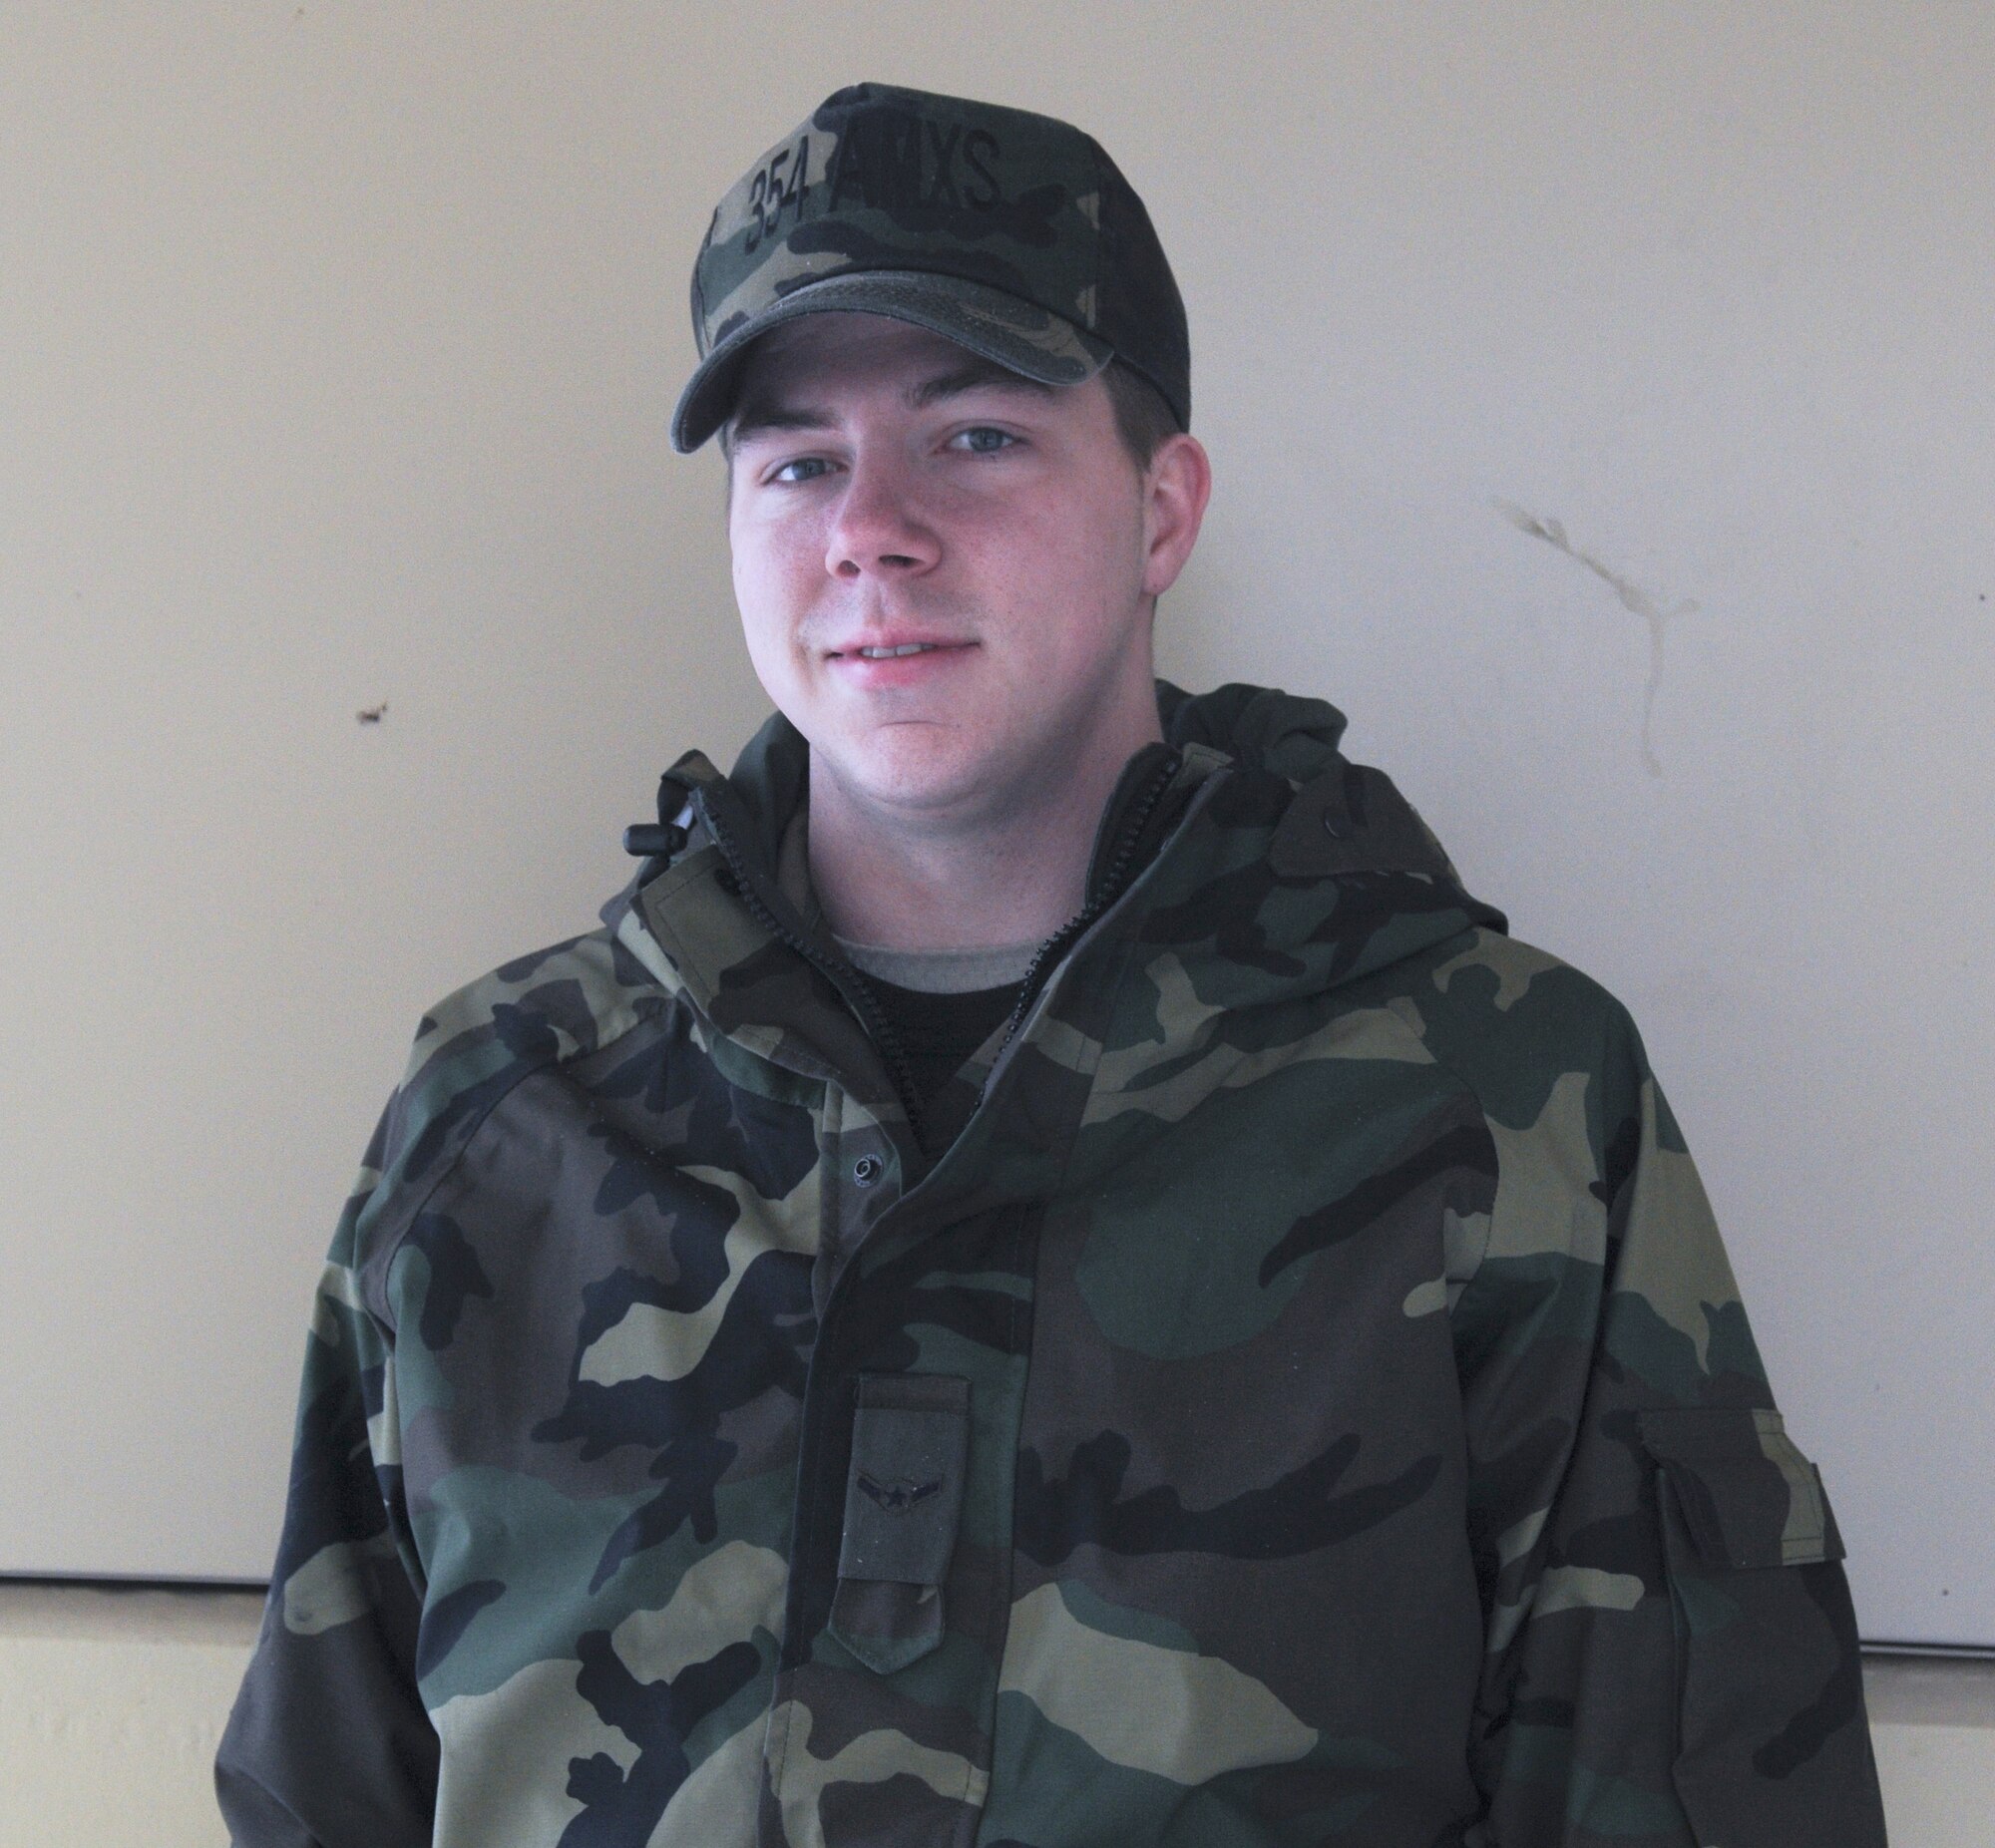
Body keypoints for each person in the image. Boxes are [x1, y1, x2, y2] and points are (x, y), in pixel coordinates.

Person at [216, 82, 1887, 1848]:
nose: (872, 525)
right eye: (796, 457)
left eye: (976, 436)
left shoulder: (1499, 1104)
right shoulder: (501, 1114)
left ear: (1162, 512)